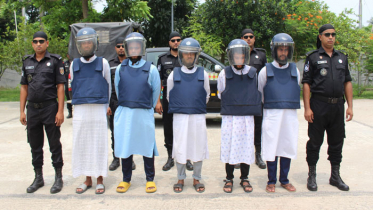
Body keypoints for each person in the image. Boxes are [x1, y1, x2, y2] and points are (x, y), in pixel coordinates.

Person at [302, 24, 353, 192]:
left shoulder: (342, 58)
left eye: (333, 34)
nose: (331, 37)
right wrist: (307, 108)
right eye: (327, 34)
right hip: (319, 105)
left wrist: (350, 106)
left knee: (337, 142)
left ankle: (335, 176)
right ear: (320, 37)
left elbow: (347, 82)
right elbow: (307, 84)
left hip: (337, 105)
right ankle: (312, 175)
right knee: (315, 141)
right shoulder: (313, 57)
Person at [114, 32, 161, 193]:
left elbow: (155, 92)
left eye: (137, 47)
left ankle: (150, 179)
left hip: (144, 112)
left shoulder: (151, 69)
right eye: (131, 47)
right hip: (125, 112)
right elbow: (119, 90)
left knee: (147, 145)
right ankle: (126, 179)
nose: (134, 50)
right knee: (126, 145)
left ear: (142, 48)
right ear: (127, 49)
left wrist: (149, 106)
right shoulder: (120, 68)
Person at [20, 31, 65, 194]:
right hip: (32, 109)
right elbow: (24, 87)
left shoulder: (55, 61)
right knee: (35, 145)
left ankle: (58, 177)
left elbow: (61, 87)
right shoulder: (27, 62)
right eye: (35, 41)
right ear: (32, 44)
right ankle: (38, 177)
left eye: (41, 41)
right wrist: (22, 111)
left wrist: (60, 111)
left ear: (47, 43)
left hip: (50, 108)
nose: (38, 44)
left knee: (54, 143)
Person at [70, 27, 111, 194]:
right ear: (79, 45)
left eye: (89, 42)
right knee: (83, 143)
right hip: (80, 110)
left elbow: (108, 86)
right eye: (83, 43)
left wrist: (107, 105)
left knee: (99, 143)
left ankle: (100, 179)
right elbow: (72, 85)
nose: (86, 45)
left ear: (94, 43)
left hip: (98, 109)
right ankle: (87, 179)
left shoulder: (103, 63)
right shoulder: (74, 64)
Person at [258, 33, 301, 193]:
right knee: (271, 147)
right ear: (274, 51)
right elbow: (260, 92)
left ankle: (284, 179)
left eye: (286, 50)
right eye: (280, 49)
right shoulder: (265, 71)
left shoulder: (294, 70)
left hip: (289, 116)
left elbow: (295, 87)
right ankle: (271, 181)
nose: (283, 52)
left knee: (287, 145)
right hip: (272, 115)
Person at [218, 39, 262, 193]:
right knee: (230, 146)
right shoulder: (224, 73)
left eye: (241, 56)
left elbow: (257, 92)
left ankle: (245, 178)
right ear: (231, 56)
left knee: (246, 146)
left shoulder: (253, 73)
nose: (239, 59)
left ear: (245, 56)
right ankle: (229, 178)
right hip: (230, 117)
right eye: (236, 56)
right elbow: (220, 93)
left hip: (247, 117)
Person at [168, 38, 210, 193]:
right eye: (186, 53)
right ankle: (180, 178)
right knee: (180, 147)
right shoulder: (174, 74)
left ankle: (197, 178)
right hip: (180, 117)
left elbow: (206, 95)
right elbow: (169, 96)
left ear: (196, 55)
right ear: (181, 55)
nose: (189, 56)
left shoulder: (203, 74)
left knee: (197, 147)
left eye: (192, 53)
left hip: (197, 117)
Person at [157, 31, 193, 171]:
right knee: (168, 128)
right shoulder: (162, 59)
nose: (176, 42)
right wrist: (158, 101)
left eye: (178, 40)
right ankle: (170, 157)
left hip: (185, 98)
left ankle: (188, 159)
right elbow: (159, 82)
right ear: (169, 43)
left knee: (186, 128)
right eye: (173, 40)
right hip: (168, 99)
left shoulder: (186, 57)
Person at [107, 37, 136, 171]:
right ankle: (116, 158)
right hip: (114, 102)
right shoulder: (109, 64)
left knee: (129, 131)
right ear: (115, 48)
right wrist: (107, 104)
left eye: (122, 46)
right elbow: (106, 85)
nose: (120, 48)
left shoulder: (132, 62)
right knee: (115, 131)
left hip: (130, 101)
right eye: (118, 46)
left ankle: (130, 158)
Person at [241, 29, 267, 169]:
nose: (249, 39)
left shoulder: (261, 55)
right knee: (242, 127)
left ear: (254, 39)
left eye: (251, 37)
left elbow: (265, 76)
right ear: (241, 38)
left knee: (258, 126)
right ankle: (241, 156)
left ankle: (258, 154)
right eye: (246, 37)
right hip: (241, 98)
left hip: (257, 96)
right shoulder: (237, 53)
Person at [64, 53, 73, 119]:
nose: (69, 55)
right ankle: (70, 112)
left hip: (75, 83)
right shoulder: (65, 63)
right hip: (67, 82)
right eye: (68, 54)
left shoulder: (75, 62)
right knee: (68, 98)